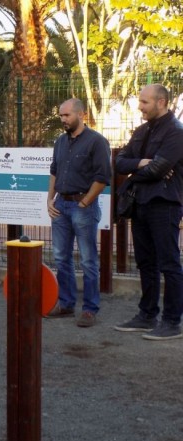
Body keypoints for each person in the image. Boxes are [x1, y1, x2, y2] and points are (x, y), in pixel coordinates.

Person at [114, 84, 183, 340]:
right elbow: (120, 162)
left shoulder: (176, 132)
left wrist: (141, 171)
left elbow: (157, 171)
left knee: (169, 264)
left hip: (164, 205)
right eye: (140, 102)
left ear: (161, 102)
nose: (140, 106)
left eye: (144, 102)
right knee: (145, 263)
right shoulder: (142, 131)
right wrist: (143, 163)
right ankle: (146, 316)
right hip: (140, 204)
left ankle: (172, 322)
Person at [45, 98, 111, 327]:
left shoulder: (97, 142)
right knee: (61, 257)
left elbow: (102, 178)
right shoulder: (60, 142)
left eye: (67, 115)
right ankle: (66, 304)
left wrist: (85, 203)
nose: (63, 120)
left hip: (83, 207)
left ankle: (90, 309)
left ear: (81, 114)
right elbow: (54, 171)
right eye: (61, 116)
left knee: (88, 260)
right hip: (60, 206)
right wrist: (49, 199)